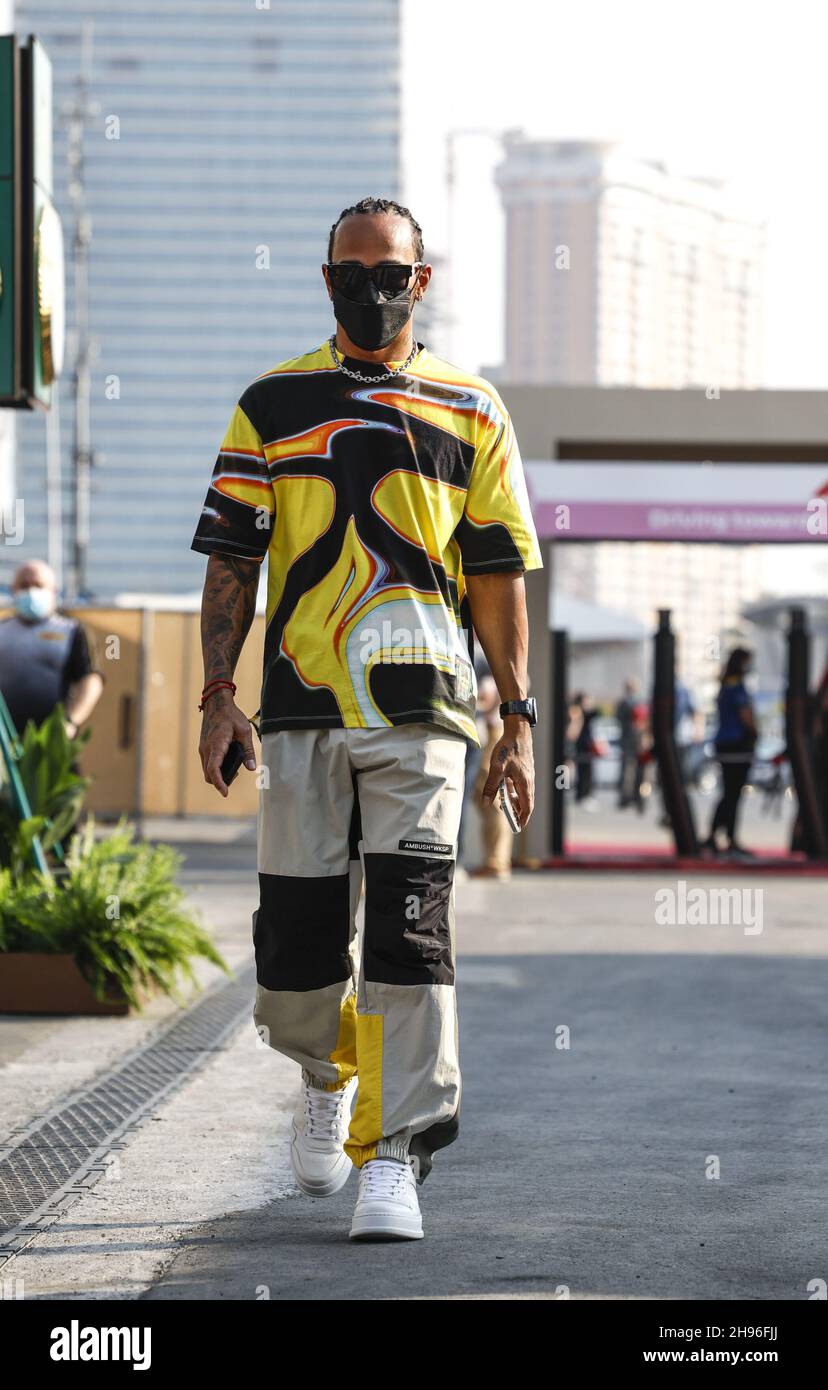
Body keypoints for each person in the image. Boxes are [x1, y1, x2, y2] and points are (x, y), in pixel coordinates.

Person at [192, 197, 543, 1242]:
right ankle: (323, 1073)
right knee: (297, 949)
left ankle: (396, 1154)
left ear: (421, 281)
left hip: (426, 712)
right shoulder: (272, 402)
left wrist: (516, 714)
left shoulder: (473, 410)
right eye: (350, 270)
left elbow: (498, 577)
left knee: (411, 931)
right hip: (298, 709)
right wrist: (219, 696)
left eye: (388, 271)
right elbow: (232, 562)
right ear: (327, 277)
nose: (370, 287)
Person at [0, 560, 103, 741]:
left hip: (51, 744)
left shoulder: (72, 631)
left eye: (39, 585)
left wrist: (70, 721)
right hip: (5, 745)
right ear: (13, 590)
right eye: (24, 585)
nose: (31, 591)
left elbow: (91, 679)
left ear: (53, 591)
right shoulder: (2, 630)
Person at [702, 647, 757, 858]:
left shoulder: (726, 684)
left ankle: (715, 835)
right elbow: (745, 714)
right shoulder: (736, 686)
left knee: (728, 793)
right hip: (737, 744)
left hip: (725, 743)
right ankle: (729, 837)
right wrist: (754, 732)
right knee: (733, 794)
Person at [615, 677, 644, 810]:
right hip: (633, 740)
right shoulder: (633, 702)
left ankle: (631, 797)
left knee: (631, 769)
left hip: (632, 740)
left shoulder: (630, 702)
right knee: (630, 769)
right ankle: (630, 797)